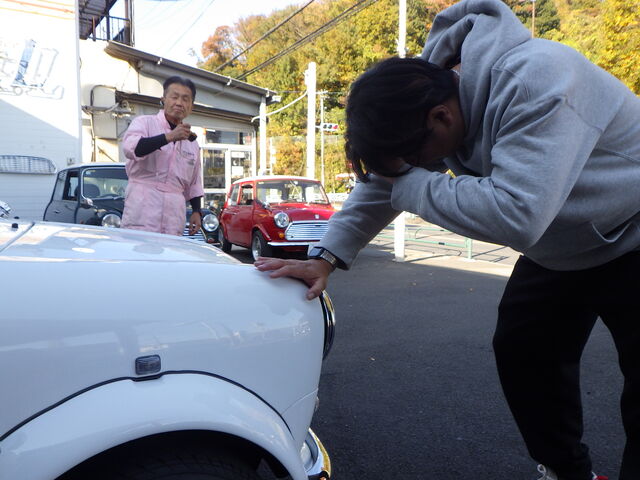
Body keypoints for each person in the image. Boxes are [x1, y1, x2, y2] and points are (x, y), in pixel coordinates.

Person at [255, 0, 640, 479]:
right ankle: (567, 471)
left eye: (413, 160)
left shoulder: (537, 79)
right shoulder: (422, 101)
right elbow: (384, 183)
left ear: (442, 117)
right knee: (524, 352)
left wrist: (409, 184)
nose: (414, 169)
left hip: (633, 229)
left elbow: (516, 214)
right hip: (562, 245)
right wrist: (325, 257)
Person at [121, 75, 204, 236]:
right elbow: (132, 148)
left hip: (174, 213)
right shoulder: (144, 123)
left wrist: (196, 211)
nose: (179, 103)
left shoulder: (192, 143)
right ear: (163, 99)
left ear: (191, 106)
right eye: (174, 97)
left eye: (185, 99)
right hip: (142, 208)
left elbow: (194, 182)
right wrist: (169, 137)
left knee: (171, 250)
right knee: (140, 250)